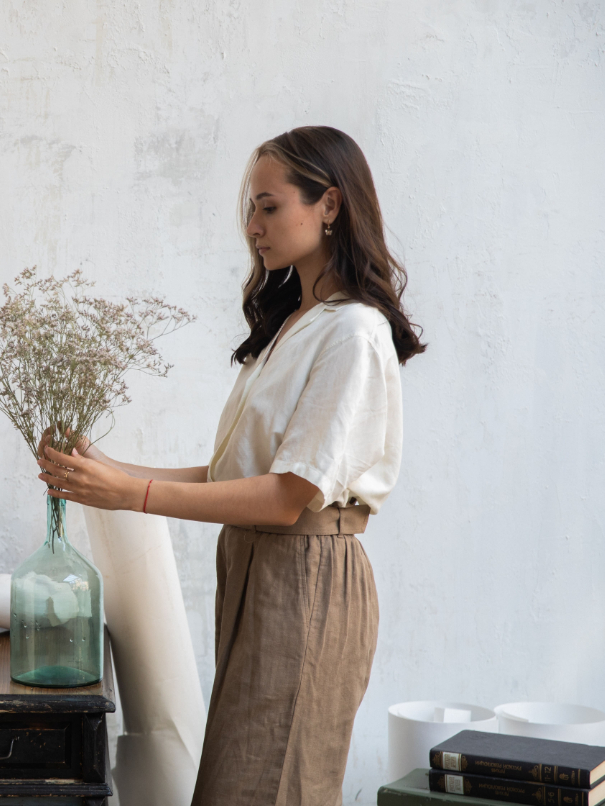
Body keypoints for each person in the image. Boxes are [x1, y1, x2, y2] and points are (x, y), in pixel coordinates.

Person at [36, 126, 425, 805]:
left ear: (328, 205)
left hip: (303, 575)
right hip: (257, 567)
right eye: (250, 209)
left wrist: (132, 493)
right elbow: (234, 476)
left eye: (269, 206)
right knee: (245, 781)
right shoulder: (292, 325)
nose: (252, 226)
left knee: (267, 788)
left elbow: (284, 498)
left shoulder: (352, 331)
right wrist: (103, 470)